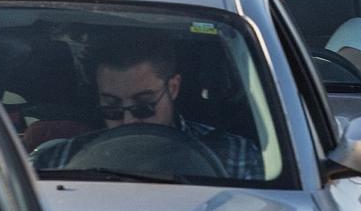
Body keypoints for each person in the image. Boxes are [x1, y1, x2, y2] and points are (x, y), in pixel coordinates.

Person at [30, 37, 263, 180]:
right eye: (112, 109)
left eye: (143, 107)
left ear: (173, 87)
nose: (129, 121)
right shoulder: (58, 161)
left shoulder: (237, 158)